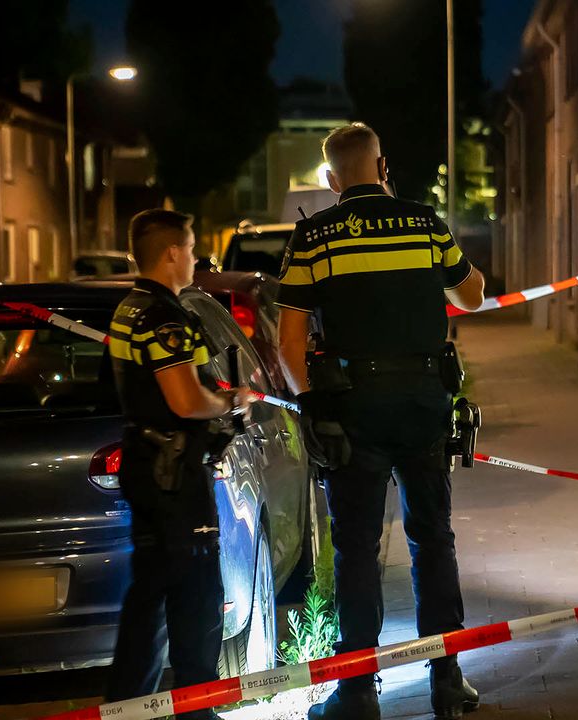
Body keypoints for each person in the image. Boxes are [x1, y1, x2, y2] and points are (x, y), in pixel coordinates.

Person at [276, 123, 485, 720]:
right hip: (423, 398)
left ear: (332, 180)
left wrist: (312, 406)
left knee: (357, 549)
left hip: (352, 407)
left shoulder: (314, 237)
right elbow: (471, 296)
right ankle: (446, 680)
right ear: (383, 166)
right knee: (432, 538)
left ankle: (357, 691)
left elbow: (291, 346)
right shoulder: (424, 223)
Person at [105, 209, 256, 717]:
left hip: (147, 466)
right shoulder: (165, 317)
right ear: (172, 252)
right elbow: (186, 401)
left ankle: (125, 706)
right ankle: (198, 708)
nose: (194, 258)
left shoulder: (129, 307)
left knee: (148, 597)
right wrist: (231, 401)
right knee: (194, 599)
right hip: (173, 477)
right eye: (190, 248)